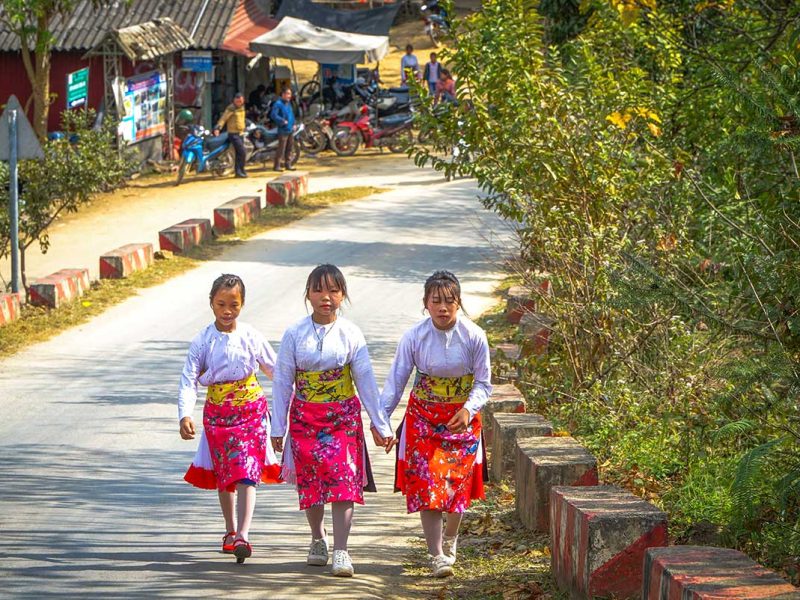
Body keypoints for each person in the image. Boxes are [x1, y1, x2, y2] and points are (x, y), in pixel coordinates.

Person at [271, 264, 394, 578]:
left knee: (343, 481)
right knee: (311, 482)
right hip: (305, 419)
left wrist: (381, 424)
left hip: (343, 419)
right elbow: (282, 381)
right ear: (308, 295)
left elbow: (365, 380)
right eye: (318, 290)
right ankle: (318, 538)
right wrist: (278, 427)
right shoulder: (294, 334)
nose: (326, 297)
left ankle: (342, 550)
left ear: (343, 295)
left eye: (333, 290)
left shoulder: (351, 334)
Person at [381, 271, 491, 578]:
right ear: (425, 303)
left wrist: (468, 410)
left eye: (449, 301)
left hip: (461, 422)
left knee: (456, 485)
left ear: (459, 302)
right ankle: (437, 554)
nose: (443, 307)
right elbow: (396, 382)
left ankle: (451, 535)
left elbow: (484, 383)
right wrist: (382, 422)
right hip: (423, 420)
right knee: (428, 483)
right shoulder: (414, 337)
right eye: (436, 300)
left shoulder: (474, 336)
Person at [178, 274, 281, 564]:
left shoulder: (251, 336)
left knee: (247, 471)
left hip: (251, 413)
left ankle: (243, 536)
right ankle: (230, 530)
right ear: (211, 303)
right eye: (221, 304)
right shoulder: (202, 341)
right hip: (218, 417)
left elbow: (275, 370)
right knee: (225, 474)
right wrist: (185, 413)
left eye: (233, 305)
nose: (227, 311)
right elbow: (188, 379)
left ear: (242, 304)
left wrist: (296, 399)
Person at [213, 93, 248, 178]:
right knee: (242, 152)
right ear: (234, 100)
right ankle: (239, 171)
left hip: (241, 133)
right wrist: (218, 128)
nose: (239, 103)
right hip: (233, 134)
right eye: (237, 101)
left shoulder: (242, 108)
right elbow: (223, 119)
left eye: (240, 101)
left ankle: (240, 171)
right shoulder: (231, 108)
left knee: (240, 153)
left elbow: (242, 119)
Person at [269, 86, 296, 172]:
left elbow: (291, 115)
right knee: (281, 148)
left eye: (290, 94)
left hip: (290, 129)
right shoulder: (278, 104)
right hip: (283, 130)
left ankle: (288, 164)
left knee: (290, 148)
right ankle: (277, 166)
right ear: (283, 94)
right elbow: (273, 115)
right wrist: (282, 121)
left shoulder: (289, 104)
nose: (289, 96)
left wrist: (294, 124)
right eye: (287, 94)